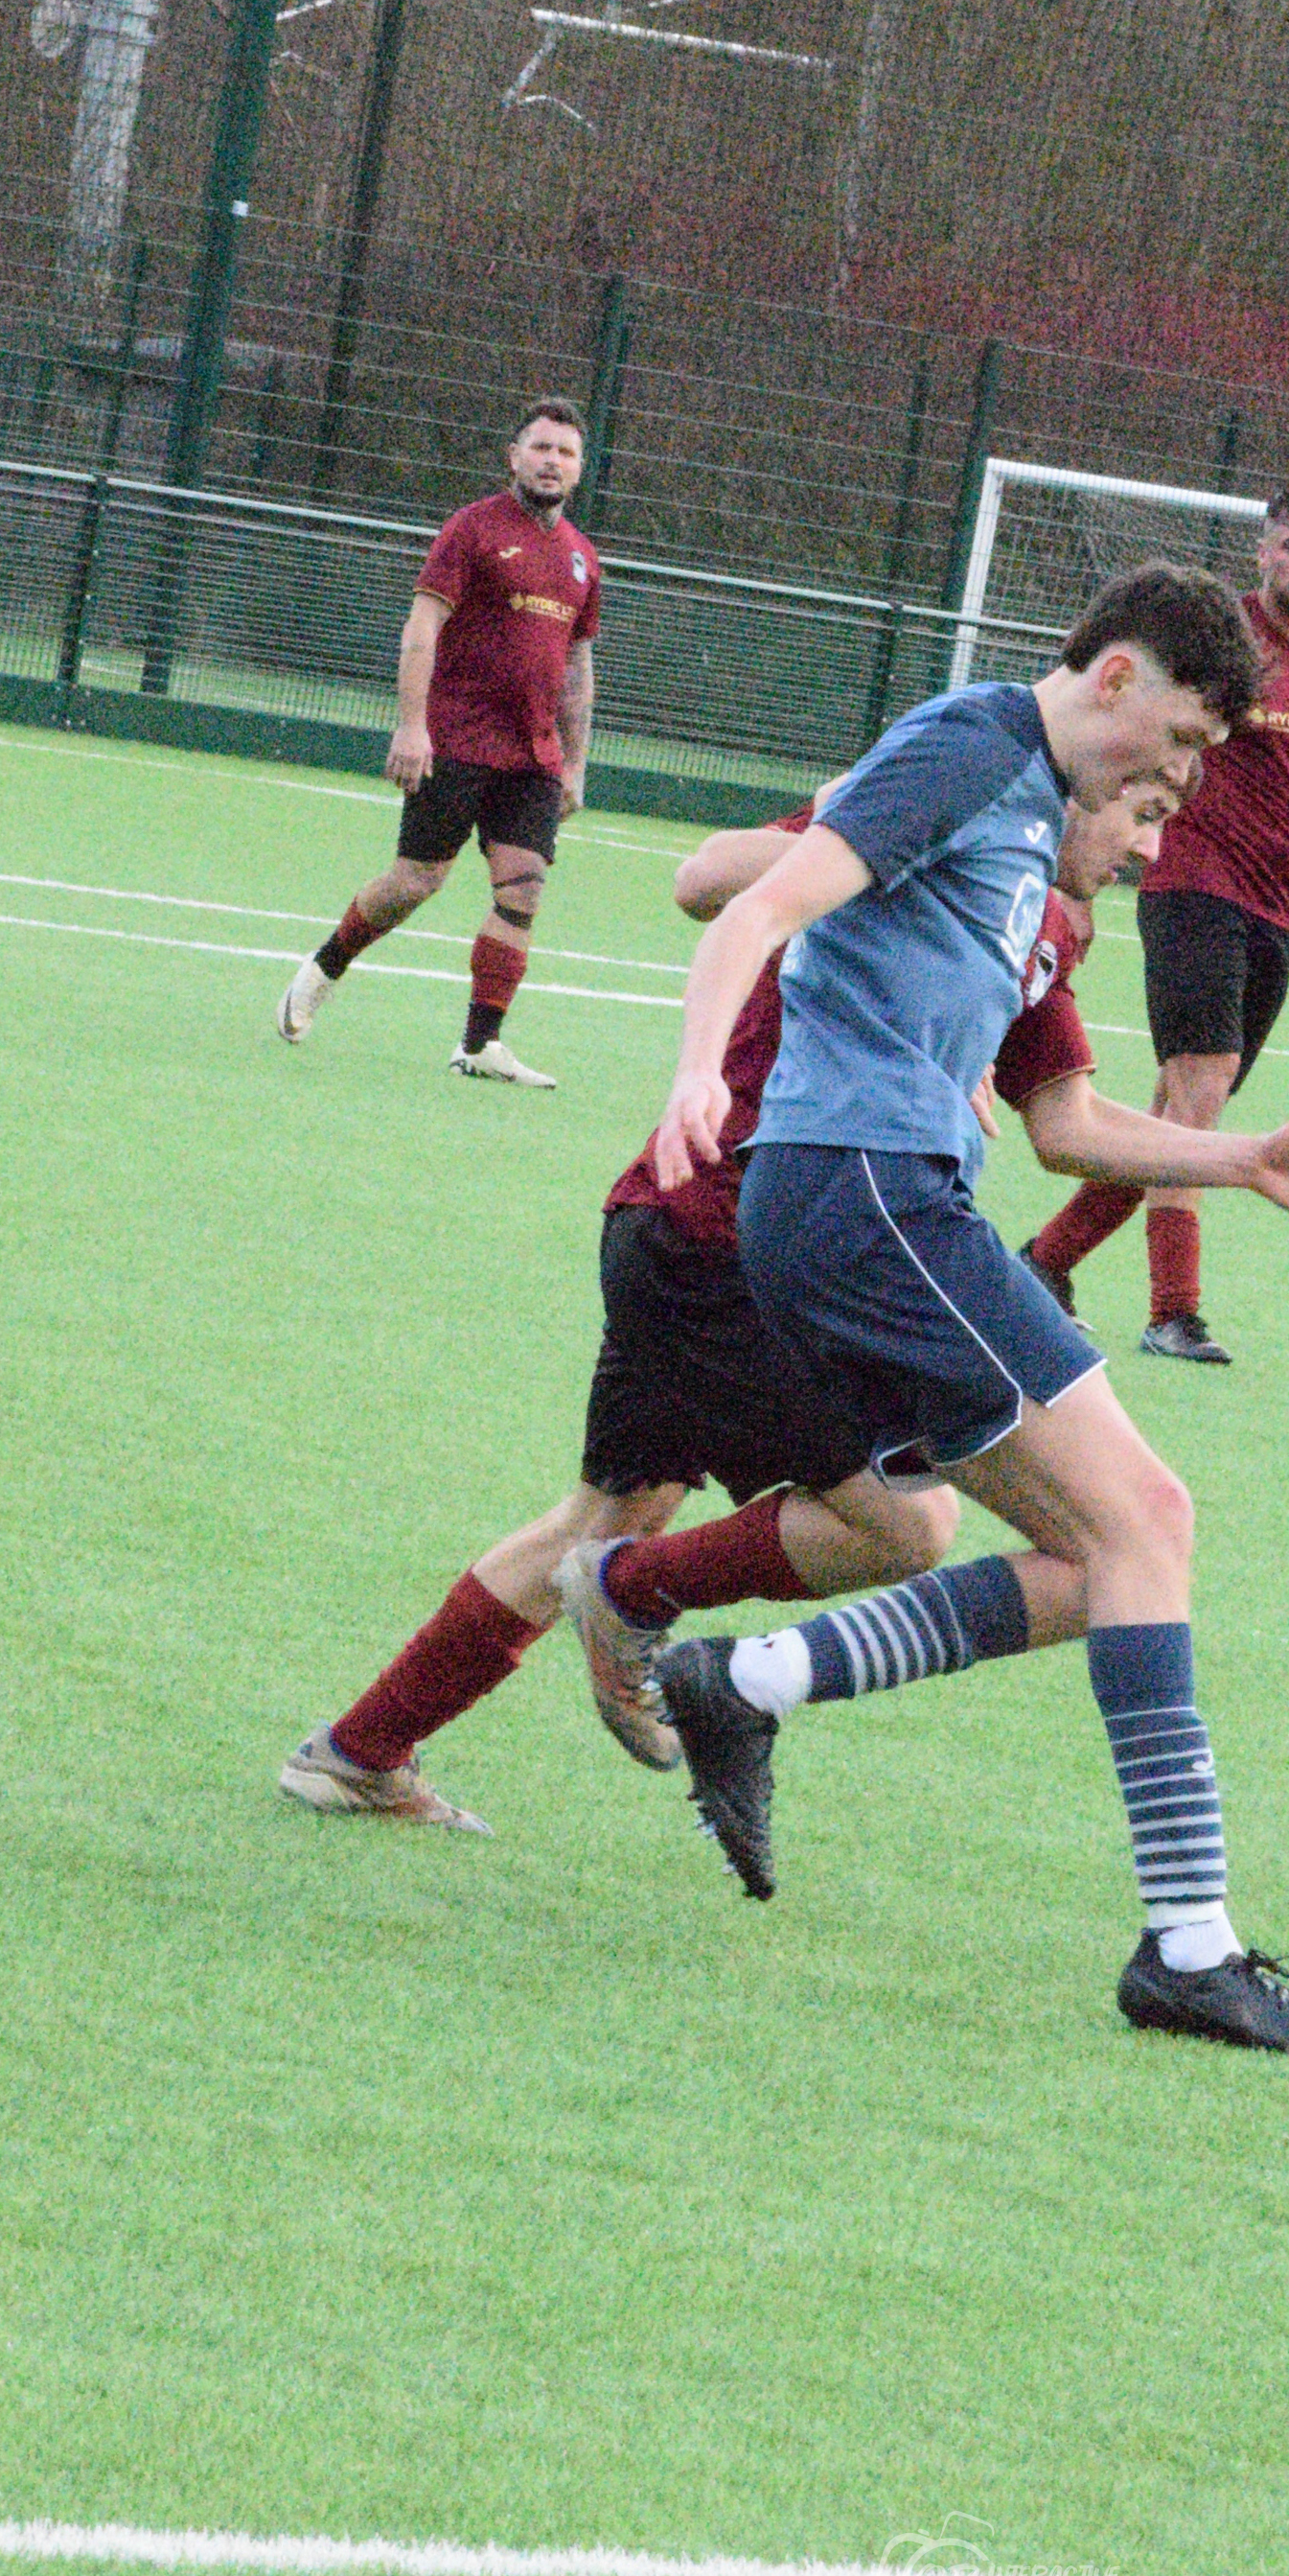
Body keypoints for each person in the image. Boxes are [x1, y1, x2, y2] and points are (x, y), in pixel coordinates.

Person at [632, 562, 1289, 2065]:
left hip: (882, 1207)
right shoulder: (977, 743)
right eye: (1172, 750)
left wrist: (1245, 1159)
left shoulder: (1031, 817)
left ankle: (751, 1675)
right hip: (864, 1197)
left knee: (1096, 1561)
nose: (1172, 787)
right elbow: (760, 902)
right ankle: (1190, 1949)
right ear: (1113, 680)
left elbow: (1065, 1123)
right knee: (1147, 1518)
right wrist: (698, 1067)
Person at [276, 779, 1170, 1831]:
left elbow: (1066, 1123)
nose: (1146, 849)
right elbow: (703, 877)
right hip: (727, 1240)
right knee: (906, 1518)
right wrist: (870, 836)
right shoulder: (925, 814)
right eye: (1141, 806)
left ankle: (357, 1751)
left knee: (603, 1516)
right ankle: (632, 1593)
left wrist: (1240, 1156)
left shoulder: (1028, 928)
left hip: (679, 1227)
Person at [1023, 483, 1289, 1363]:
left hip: (1278, 906)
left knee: (1182, 1112)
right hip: (1191, 885)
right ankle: (1173, 1311)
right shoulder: (1216, 642)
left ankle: (1045, 1261)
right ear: (1263, 553)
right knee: (1197, 1093)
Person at [274, 399, 599, 1087]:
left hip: (531, 754)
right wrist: (411, 725)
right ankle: (326, 966)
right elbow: (421, 628)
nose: (551, 461)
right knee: (416, 881)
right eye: (539, 448)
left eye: (565, 453)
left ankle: (480, 1045)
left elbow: (576, 666)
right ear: (513, 457)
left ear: (578, 470)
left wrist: (574, 760)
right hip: (456, 738)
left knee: (524, 885)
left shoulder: (580, 558)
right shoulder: (472, 530)